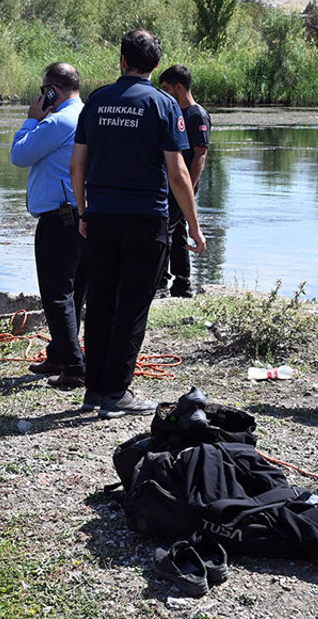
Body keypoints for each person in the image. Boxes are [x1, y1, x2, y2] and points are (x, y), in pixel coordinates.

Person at [70, 30, 206, 419]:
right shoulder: (164, 104)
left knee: (99, 302)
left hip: (100, 216)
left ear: (122, 61)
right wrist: (194, 227)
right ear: (156, 66)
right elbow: (178, 174)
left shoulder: (96, 101)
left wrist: (82, 211)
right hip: (145, 219)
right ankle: (116, 393)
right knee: (132, 305)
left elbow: (76, 165)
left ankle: (94, 390)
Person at [10, 62, 87, 390]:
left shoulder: (59, 120)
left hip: (60, 218)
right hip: (81, 215)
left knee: (56, 294)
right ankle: (58, 354)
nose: (42, 96)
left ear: (53, 89)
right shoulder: (86, 113)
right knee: (75, 291)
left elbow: (19, 154)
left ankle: (73, 365)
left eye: (45, 91)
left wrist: (32, 117)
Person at [158, 64, 211, 299]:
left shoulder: (196, 114)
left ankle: (160, 282)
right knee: (177, 230)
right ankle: (182, 283)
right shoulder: (175, 113)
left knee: (163, 230)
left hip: (183, 185)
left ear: (179, 87)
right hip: (173, 184)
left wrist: (187, 187)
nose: (164, 93)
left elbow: (200, 154)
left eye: (166, 89)